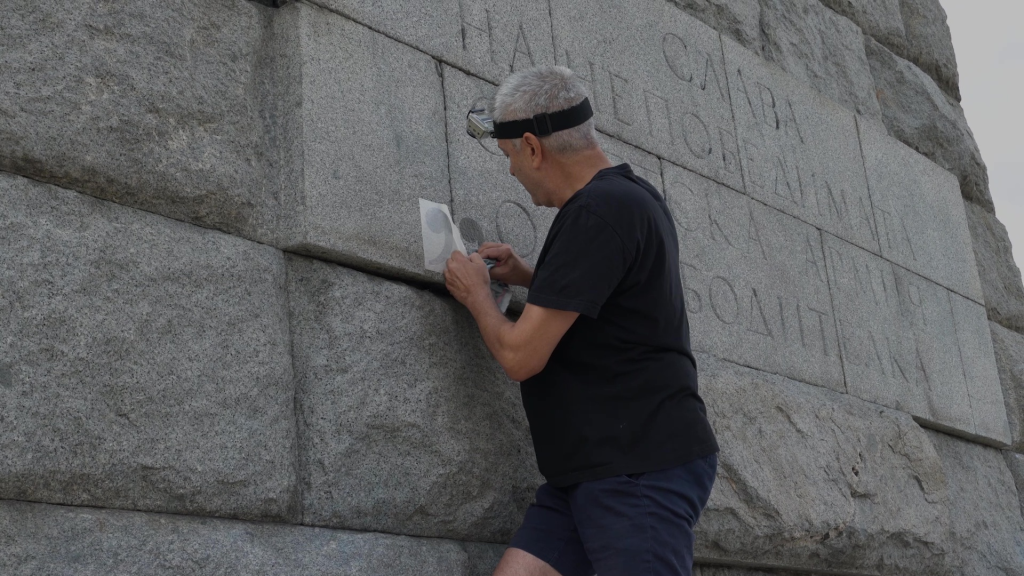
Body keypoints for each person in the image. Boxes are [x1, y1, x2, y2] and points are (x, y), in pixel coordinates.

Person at [443, 65, 719, 576]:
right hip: (593, 467)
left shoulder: (599, 211)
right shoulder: (628, 197)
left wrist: (478, 295)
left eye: (508, 158)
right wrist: (527, 275)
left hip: (636, 466)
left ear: (532, 147)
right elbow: (611, 301)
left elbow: (521, 357)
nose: (511, 174)